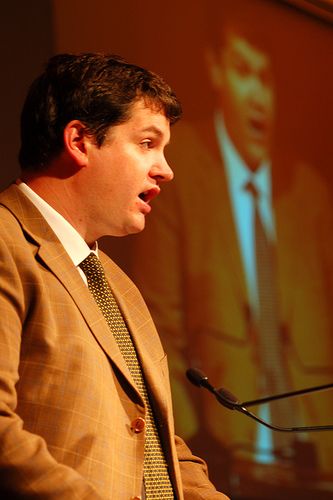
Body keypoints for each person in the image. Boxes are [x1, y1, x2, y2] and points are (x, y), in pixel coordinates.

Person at [114, 6, 333, 498]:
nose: (258, 95)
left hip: (317, 462)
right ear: (215, 72)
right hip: (219, 461)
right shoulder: (178, 173)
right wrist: (194, 441)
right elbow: (158, 325)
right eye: (243, 72)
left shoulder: (311, 193)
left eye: (266, 78)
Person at [0, 52, 229, 499]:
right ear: (80, 140)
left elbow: (151, 442)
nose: (166, 169)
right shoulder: (6, 244)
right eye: (148, 143)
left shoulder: (116, 284)